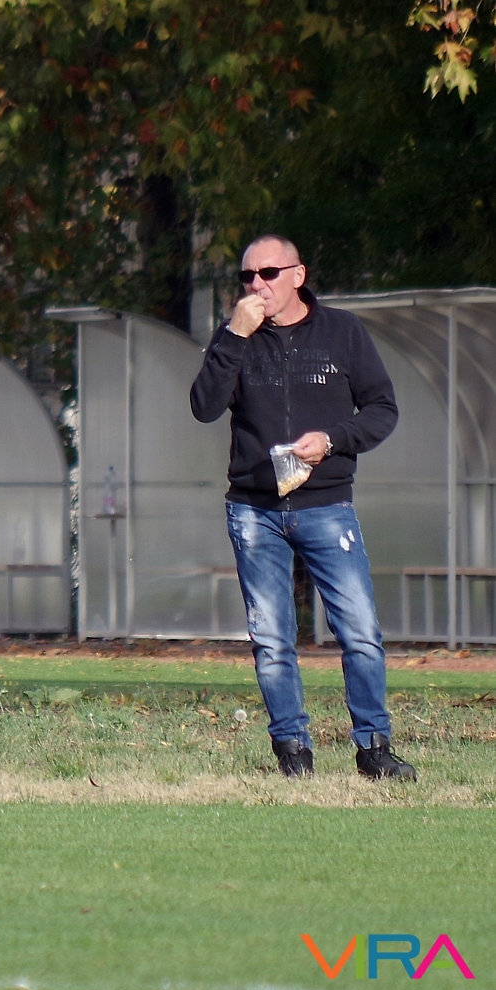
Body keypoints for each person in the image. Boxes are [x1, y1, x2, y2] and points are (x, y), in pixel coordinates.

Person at [190, 234, 414, 781]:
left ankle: (374, 748)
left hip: (326, 504)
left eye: (267, 273)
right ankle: (293, 751)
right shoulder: (234, 336)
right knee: (271, 638)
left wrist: (333, 440)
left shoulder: (342, 332)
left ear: (297, 275)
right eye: (246, 276)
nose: (256, 285)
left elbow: (382, 408)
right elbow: (204, 406)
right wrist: (234, 336)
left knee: (359, 631)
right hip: (254, 510)